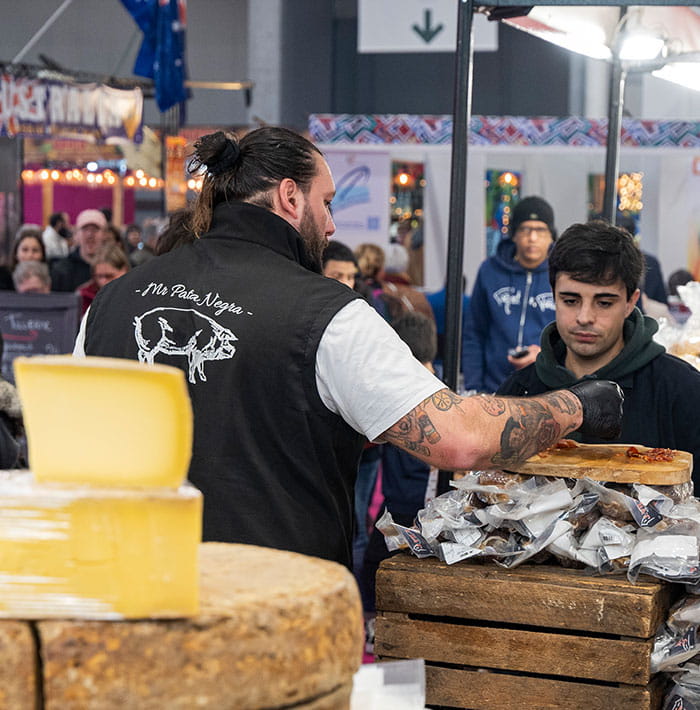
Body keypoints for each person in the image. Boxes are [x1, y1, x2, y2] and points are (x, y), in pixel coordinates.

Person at [75, 127, 623, 568]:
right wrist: (578, 404)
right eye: (327, 202)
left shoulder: (113, 299)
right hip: (276, 607)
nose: (332, 223)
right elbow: (459, 438)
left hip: (129, 584)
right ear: (290, 196)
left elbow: (75, 444)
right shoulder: (327, 315)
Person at [497, 220, 700, 493]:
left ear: (631, 302)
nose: (584, 317)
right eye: (570, 300)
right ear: (553, 297)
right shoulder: (518, 393)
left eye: (604, 303)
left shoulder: (682, 392)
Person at [359, 311, 438, 614]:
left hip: (416, 513)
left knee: (382, 576)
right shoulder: (431, 390)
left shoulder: (412, 393)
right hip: (400, 509)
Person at [462, 196, 557, 393]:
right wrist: (474, 388)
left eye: (540, 230)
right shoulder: (489, 271)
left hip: (546, 392)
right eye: (525, 229)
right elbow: (473, 333)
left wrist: (545, 356)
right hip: (493, 390)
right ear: (513, 234)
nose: (532, 238)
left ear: (551, 236)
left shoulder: (563, 275)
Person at [51, 209, 108, 292]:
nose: (90, 235)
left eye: (95, 229)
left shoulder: (117, 269)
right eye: (85, 229)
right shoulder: (61, 270)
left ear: (105, 235)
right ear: (76, 234)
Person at [77, 244, 131, 314]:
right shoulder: (85, 296)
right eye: (99, 276)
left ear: (124, 270)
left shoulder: (137, 294)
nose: (103, 281)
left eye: (109, 276)